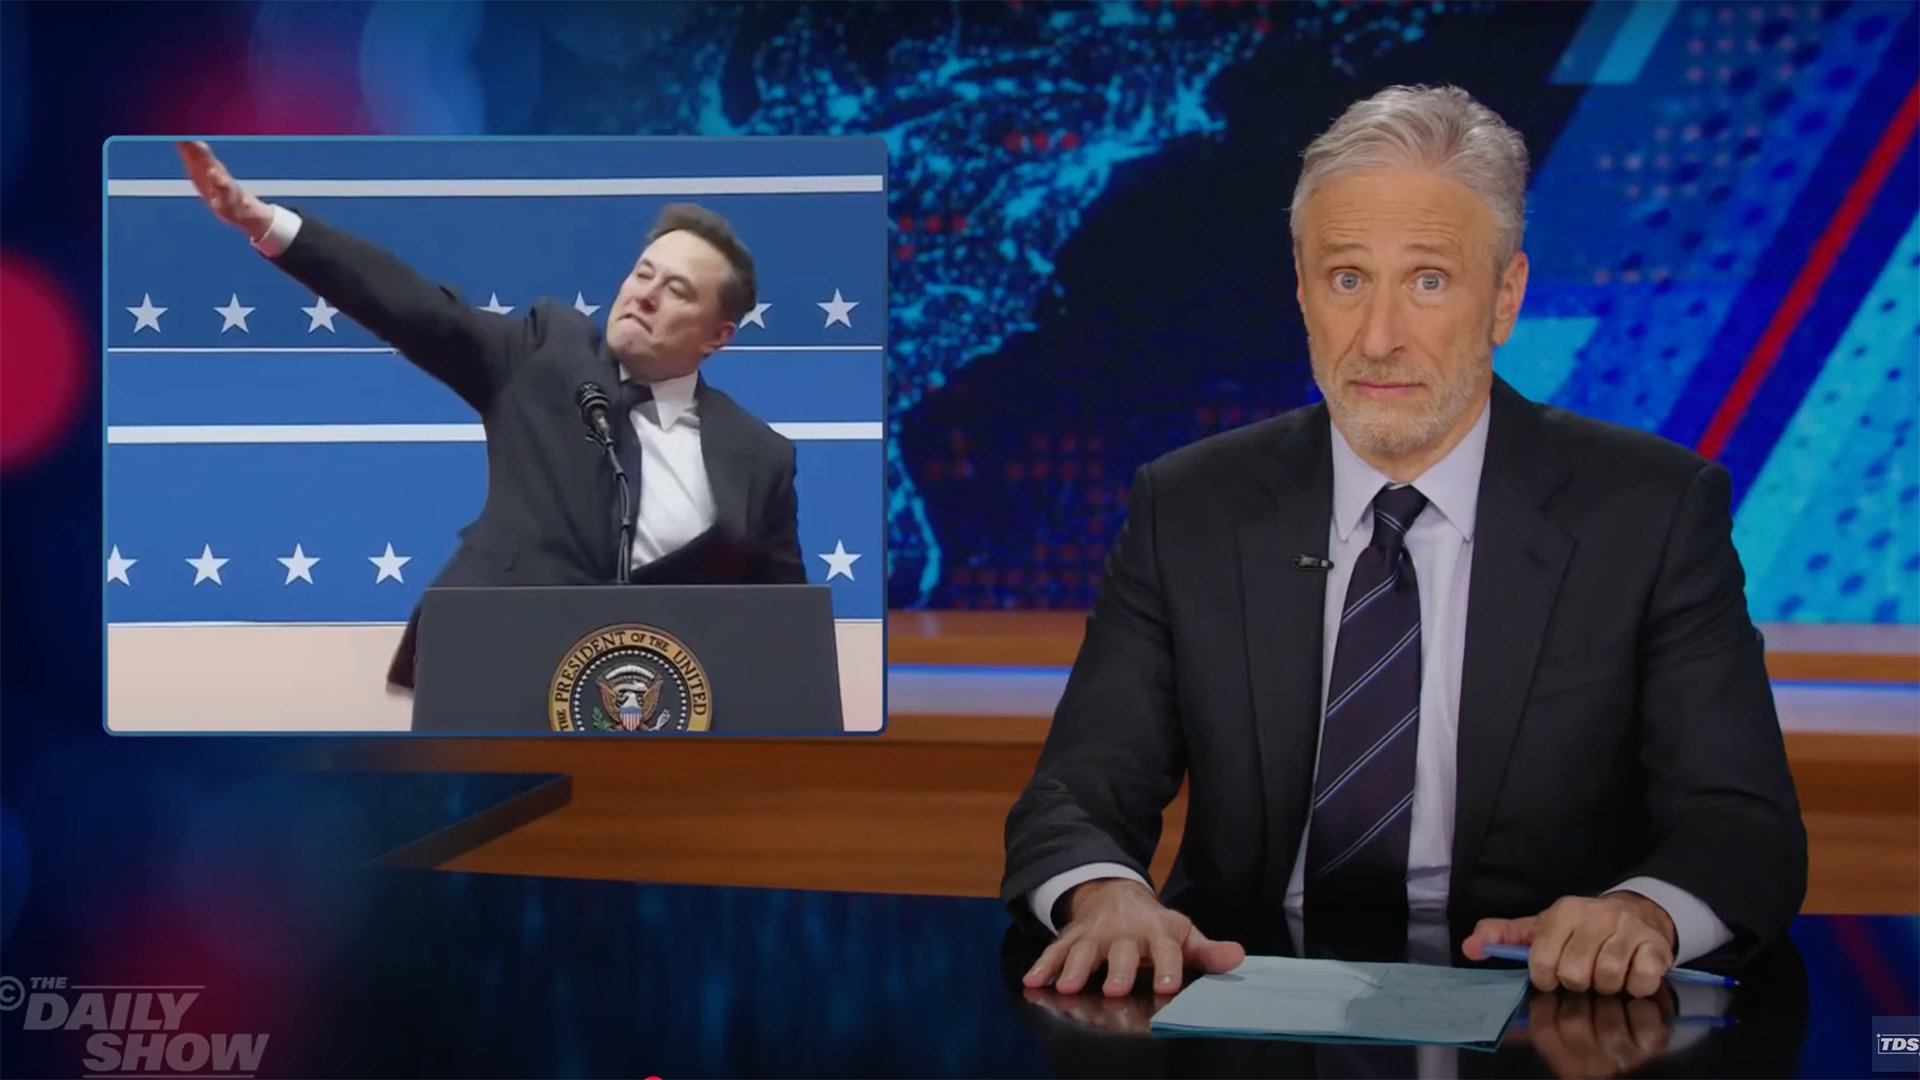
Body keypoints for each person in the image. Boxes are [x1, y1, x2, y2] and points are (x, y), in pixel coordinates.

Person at [1001, 86, 1807, 1001]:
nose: (1379, 338)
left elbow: (1741, 823)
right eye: (1348, 279)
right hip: (1246, 1001)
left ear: (1505, 298)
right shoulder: (1188, 507)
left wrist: (1641, 914)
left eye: (1428, 281)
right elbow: (1077, 796)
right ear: (1302, 291)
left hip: (1542, 1013)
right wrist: (1106, 895)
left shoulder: (1651, 513)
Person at [175, 141, 808, 690]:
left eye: (677, 291)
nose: (645, 294)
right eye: (644, 273)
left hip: (651, 711)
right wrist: (263, 221)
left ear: (717, 336)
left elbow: (782, 630)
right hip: (492, 668)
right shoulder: (547, 351)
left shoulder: (760, 457)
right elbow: (414, 309)